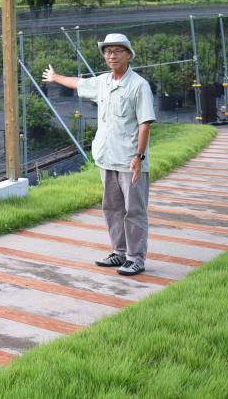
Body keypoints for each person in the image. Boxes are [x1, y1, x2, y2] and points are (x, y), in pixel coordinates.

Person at [42, 33, 156, 276]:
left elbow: (145, 124)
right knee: (112, 208)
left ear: (128, 54)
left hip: (130, 160)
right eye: (107, 51)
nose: (111, 55)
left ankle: (136, 258)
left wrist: (139, 157)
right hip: (106, 158)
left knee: (133, 210)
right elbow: (79, 83)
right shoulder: (103, 82)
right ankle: (120, 252)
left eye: (116, 51)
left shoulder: (138, 85)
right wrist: (55, 77)